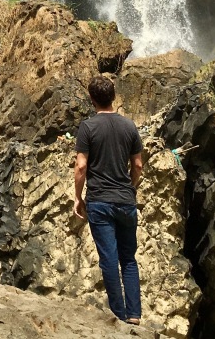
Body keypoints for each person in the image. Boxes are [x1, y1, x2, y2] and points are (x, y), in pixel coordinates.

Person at [73, 74, 144, 326]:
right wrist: (130, 188)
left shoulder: (88, 127)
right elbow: (138, 165)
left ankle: (119, 316)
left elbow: (81, 166)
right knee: (128, 259)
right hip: (125, 201)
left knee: (109, 260)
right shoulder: (129, 126)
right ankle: (134, 314)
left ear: (91, 99)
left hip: (100, 201)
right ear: (114, 96)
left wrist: (77, 197)